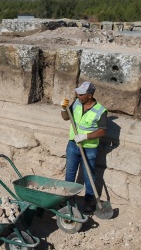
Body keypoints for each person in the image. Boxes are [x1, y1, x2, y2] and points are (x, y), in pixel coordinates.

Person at [60, 81, 108, 213]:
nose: (78, 95)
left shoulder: (100, 110)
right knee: (70, 173)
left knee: (89, 176)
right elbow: (66, 118)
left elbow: (102, 131)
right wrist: (63, 109)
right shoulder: (76, 103)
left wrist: (85, 137)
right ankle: (68, 200)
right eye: (78, 93)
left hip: (89, 148)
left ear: (90, 95)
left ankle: (89, 201)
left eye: (81, 94)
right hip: (73, 145)